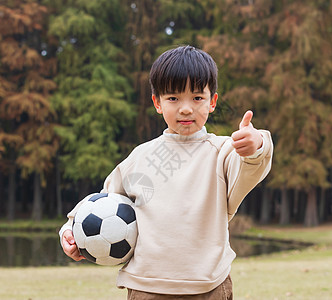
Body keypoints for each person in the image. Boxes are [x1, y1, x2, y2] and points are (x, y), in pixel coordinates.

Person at [59, 45, 273, 299]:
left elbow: (253, 165)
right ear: (157, 103)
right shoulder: (140, 157)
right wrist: (70, 230)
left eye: (197, 98)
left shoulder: (223, 152)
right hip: (146, 288)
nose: (185, 108)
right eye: (173, 98)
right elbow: (102, 202)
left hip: (208, 287)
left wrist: (256, 143)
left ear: (212, 102)